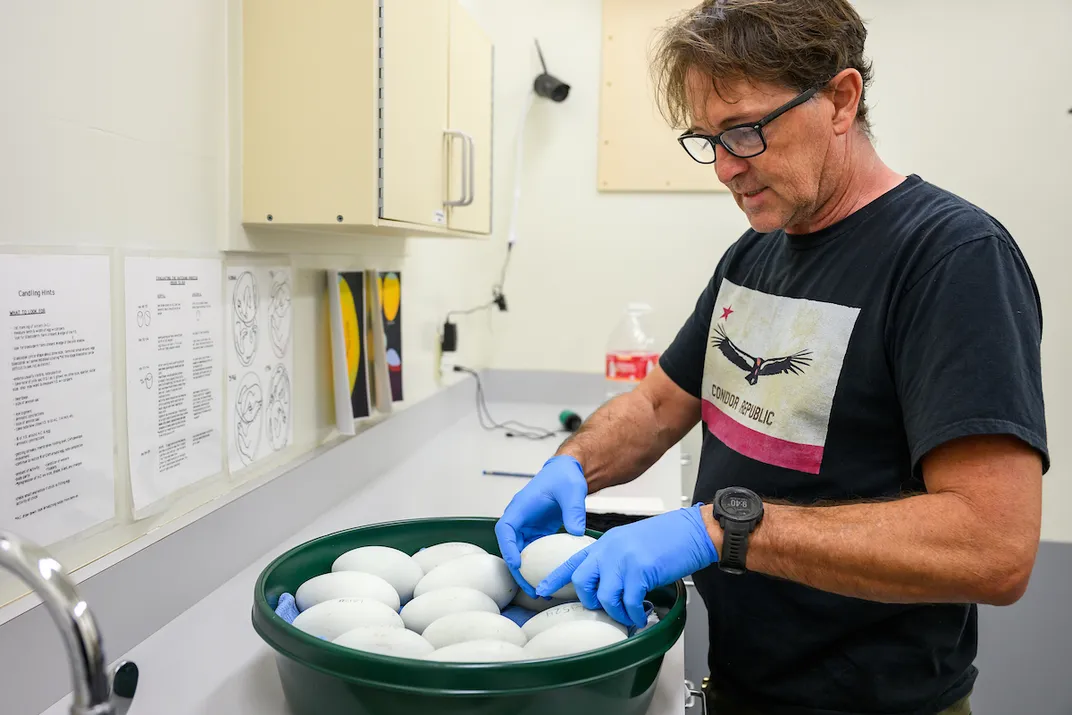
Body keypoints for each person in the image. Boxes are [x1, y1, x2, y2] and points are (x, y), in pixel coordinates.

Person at [494, 1, 1048, 713]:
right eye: (708, 139)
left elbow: (993, 546)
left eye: (747, 131)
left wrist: (723, 528)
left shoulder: (950, 260)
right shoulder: (756, 254)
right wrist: (572, 462)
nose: (725, 167)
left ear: (841, 100)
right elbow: (660, 404)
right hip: (743, 684)